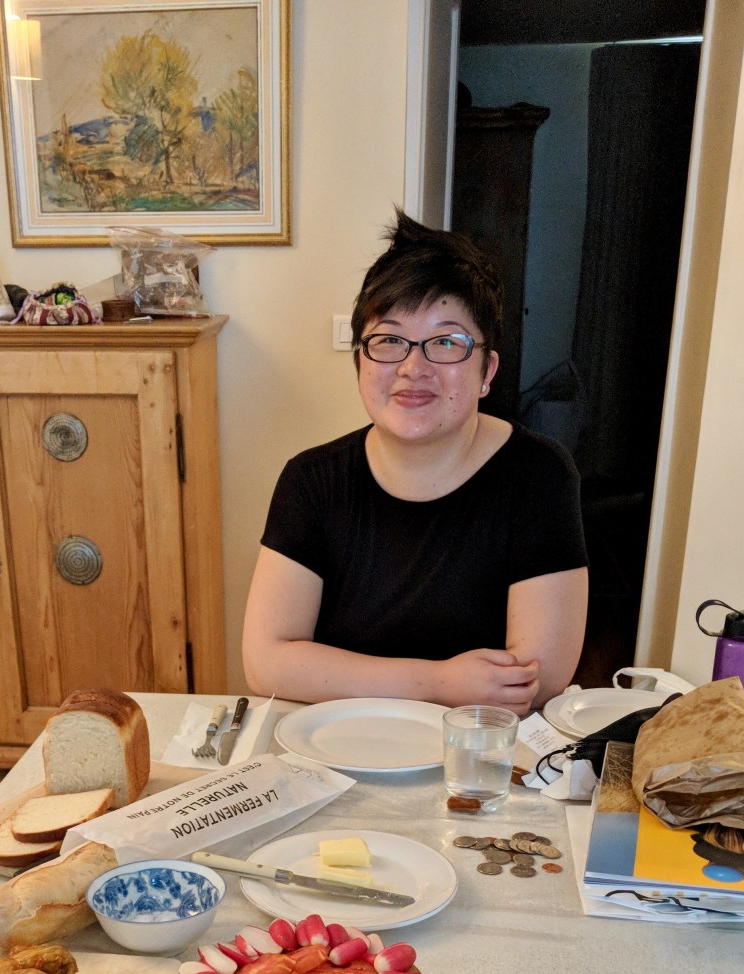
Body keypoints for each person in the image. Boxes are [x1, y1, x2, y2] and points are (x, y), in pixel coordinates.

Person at [242, 210, 588, 712]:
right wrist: (440, 682)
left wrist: (344, 676)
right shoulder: (311, 481)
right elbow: (266, 663)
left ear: (486, 370)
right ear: (360, 358)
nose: (412, 368)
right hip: (335, 749)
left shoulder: (539, 476)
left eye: (446, 342)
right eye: (389, 340)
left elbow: (534, 680)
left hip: (473, 763)